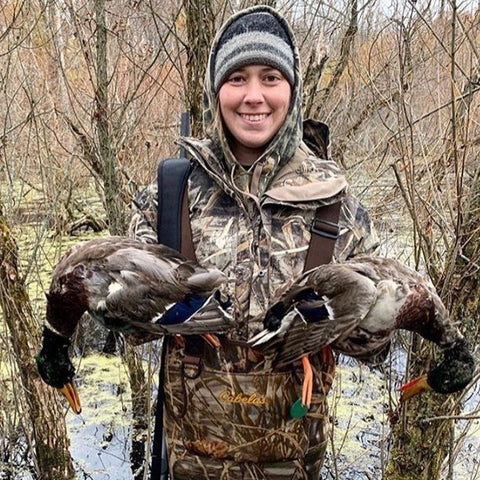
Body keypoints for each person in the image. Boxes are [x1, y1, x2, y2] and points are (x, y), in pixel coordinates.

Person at [129, 5, 378, 479]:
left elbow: (377, 349)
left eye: (270, 77)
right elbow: (126, 328)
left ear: (293, 90)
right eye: (237, 78)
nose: (254, 97)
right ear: (215, 90)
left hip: (296, 466)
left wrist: (338, 322)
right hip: (188, 465)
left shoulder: (340, 209)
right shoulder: (168, 197)